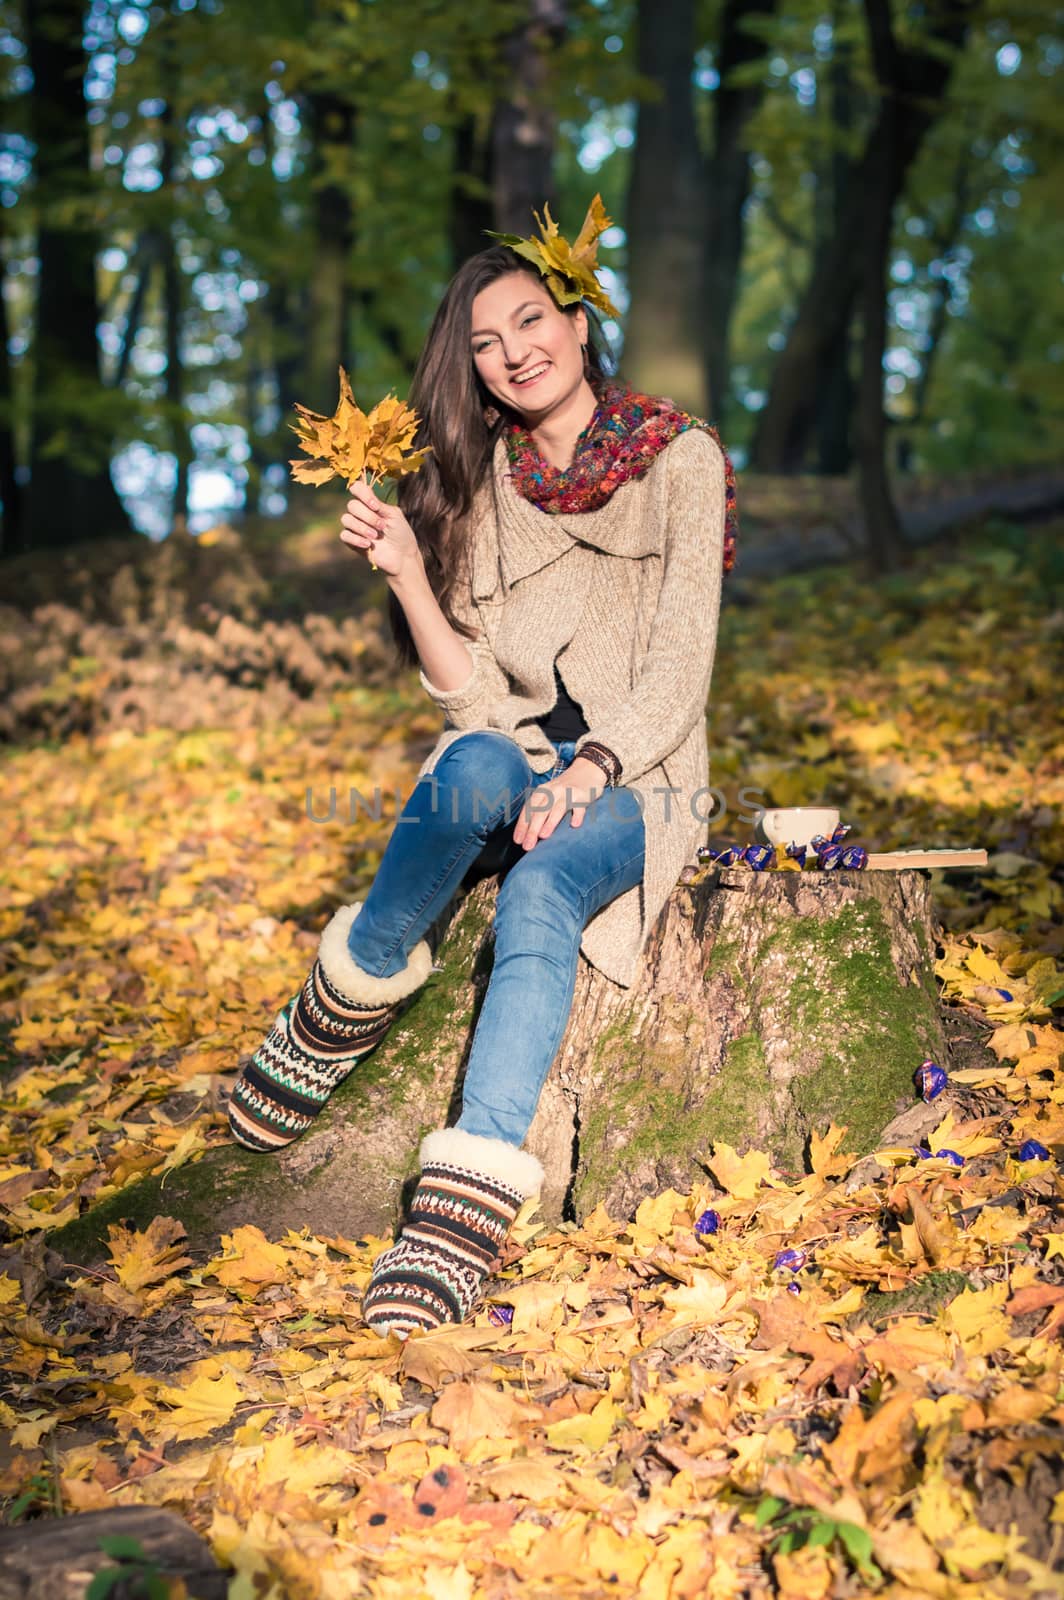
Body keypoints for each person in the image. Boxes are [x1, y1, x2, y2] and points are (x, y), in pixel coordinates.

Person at [226, 196, 737, 1339]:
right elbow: (472, 698)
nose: (513, 355)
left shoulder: (679, 457)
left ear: (573, 310)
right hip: (518, 761)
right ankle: (345, 993)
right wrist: (409, 571)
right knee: (466, 759)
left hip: (642, 778)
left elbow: (678, 671)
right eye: (485, 346)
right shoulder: (487, 485)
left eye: (527, 322)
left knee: (545, 884)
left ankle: (463, 1199)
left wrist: (589, 769)